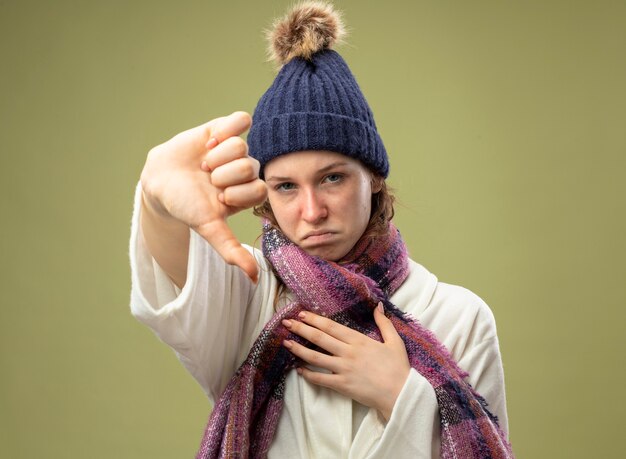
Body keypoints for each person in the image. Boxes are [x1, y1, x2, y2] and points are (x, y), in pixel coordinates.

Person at [130, 2, 513, 458]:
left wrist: (401, 396)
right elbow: (176, 279)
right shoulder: (251, 297)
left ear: (372, 177)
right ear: (265, 194)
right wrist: (157, 201)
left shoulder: (460, 317)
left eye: (333, 177)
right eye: (286, 186)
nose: (312, 211)